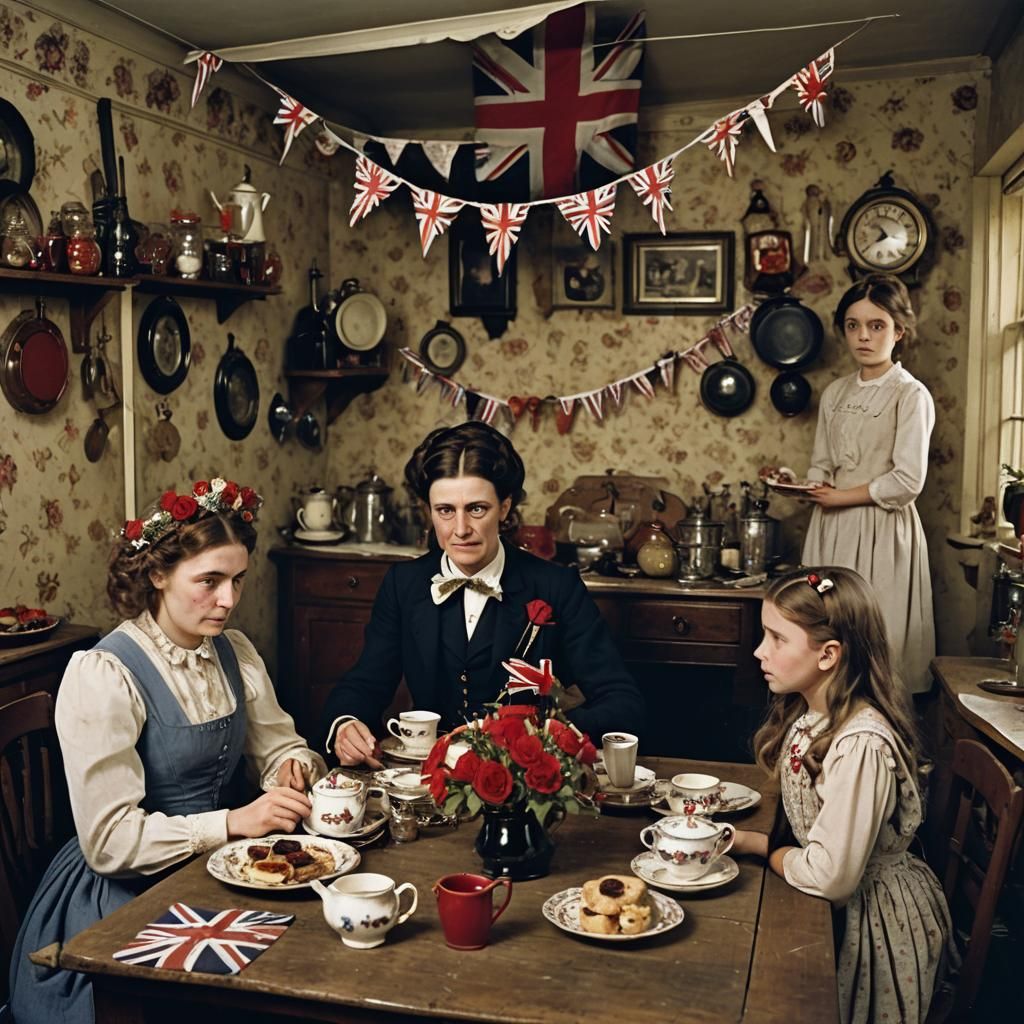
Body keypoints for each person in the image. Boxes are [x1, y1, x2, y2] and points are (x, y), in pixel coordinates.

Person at [10, 478, 325, 1024]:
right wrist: (233, 822)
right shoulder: (105, 674)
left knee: (310, 967)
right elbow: (109, 843)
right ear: (157, 575)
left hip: (220, 870)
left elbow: (279, 745)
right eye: (210, 580)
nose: (228, 599)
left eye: (238, 580)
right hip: (123, 895)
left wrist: (287, 769)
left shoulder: (235, 652)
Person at [325, 422, 644, 767]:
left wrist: (545, 737)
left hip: (524, 780)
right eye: (445, 511)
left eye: (477, 509)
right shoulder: (403, 584)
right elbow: (366, 683)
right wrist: (345, 723)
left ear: (505, 507)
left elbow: (622, 702)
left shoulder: (556, 586)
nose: (460, 529)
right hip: (430, 780)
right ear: (429, 511)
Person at [732, 568, 956, 1024]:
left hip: (872, 923)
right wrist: (750, 841)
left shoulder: (860, 747)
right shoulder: (812, 715)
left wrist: (772, 851)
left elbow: (832, 879)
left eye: (777, 638)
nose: (760, 651)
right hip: (837, 900)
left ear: (829, 654)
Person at [801, 273, 935, 694]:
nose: (864, 336)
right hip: (831, 530)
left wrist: (839, 497)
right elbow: (822, 464)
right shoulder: (835, 393)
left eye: (877, 325)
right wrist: (804, 485)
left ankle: (878, 751)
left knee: (877, 642)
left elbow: (907, 480)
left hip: (882, 531)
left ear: (900, 331)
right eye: (853, 325)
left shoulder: (909, 394)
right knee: (826, 637)